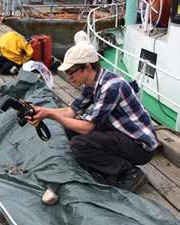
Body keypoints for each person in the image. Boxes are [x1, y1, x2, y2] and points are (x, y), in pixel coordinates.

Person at [27, 33, 158, 192]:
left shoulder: (111, 87)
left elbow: (86, 127)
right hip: (121, 133)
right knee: (70, 129)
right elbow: (71, 111)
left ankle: (131, 173)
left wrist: (51, 115)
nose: (69, 77)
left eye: (71, 72)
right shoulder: (93, 83)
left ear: (87, 67)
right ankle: (111, 166)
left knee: (79, 144)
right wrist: (44, 111)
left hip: (139, 146)